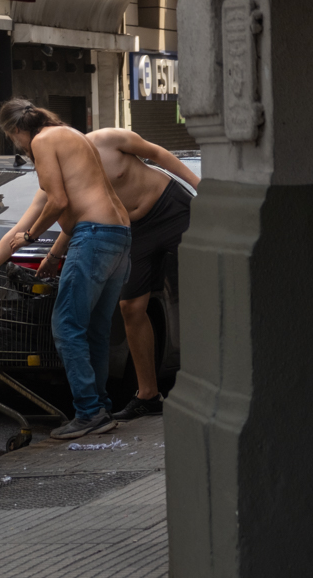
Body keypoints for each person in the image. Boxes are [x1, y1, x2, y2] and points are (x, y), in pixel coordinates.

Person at [0, 99, 131, 440]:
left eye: (15, 141)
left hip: (94, 236)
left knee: (66, 325)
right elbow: (28, 226)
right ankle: (99, 407)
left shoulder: (42, 141)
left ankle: (88, 412)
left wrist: (32, 236)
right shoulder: (72, 137)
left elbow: (58, 204)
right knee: (95, 330)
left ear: (15, 132)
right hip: (118, 235)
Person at [37, 128, 199, 421]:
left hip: (168, 206)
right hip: (133, 230)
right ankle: (148, 395)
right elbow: (76, 218)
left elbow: (159, 154)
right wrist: (53, 256)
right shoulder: (70, 171)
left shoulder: (108, 139)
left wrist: (201, 187)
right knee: (131, 308)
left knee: (212, 280)